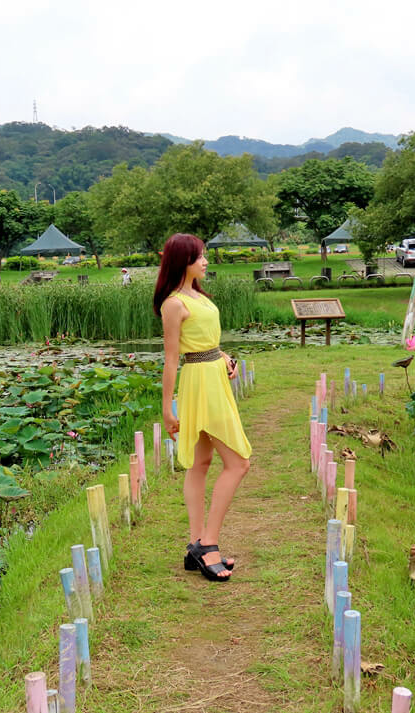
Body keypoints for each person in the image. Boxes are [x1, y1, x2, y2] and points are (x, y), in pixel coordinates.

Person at [154, 233, 251, 582]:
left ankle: (196, 545)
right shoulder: (174, 303)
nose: (206, 261)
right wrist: (167, 409)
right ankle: (208, 544)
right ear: (184, 261)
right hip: (198, 384)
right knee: (238, 463)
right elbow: (170, 360)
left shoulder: (198, 295)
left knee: (202, 462)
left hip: (214, 376)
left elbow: (206, 343)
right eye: (200, 257)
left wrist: (226, 358)